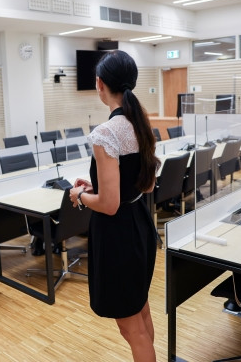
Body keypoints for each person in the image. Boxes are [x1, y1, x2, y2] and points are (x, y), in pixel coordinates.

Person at [68, 50, 160, 362]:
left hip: (118, 235)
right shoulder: (140, 123)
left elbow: (109, 205)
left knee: (131, 328)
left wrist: (79, 196)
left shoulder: (106, 133)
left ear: (100, 84)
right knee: (140, 313)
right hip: (140, 226)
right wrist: (98, 187)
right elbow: (145, 185)